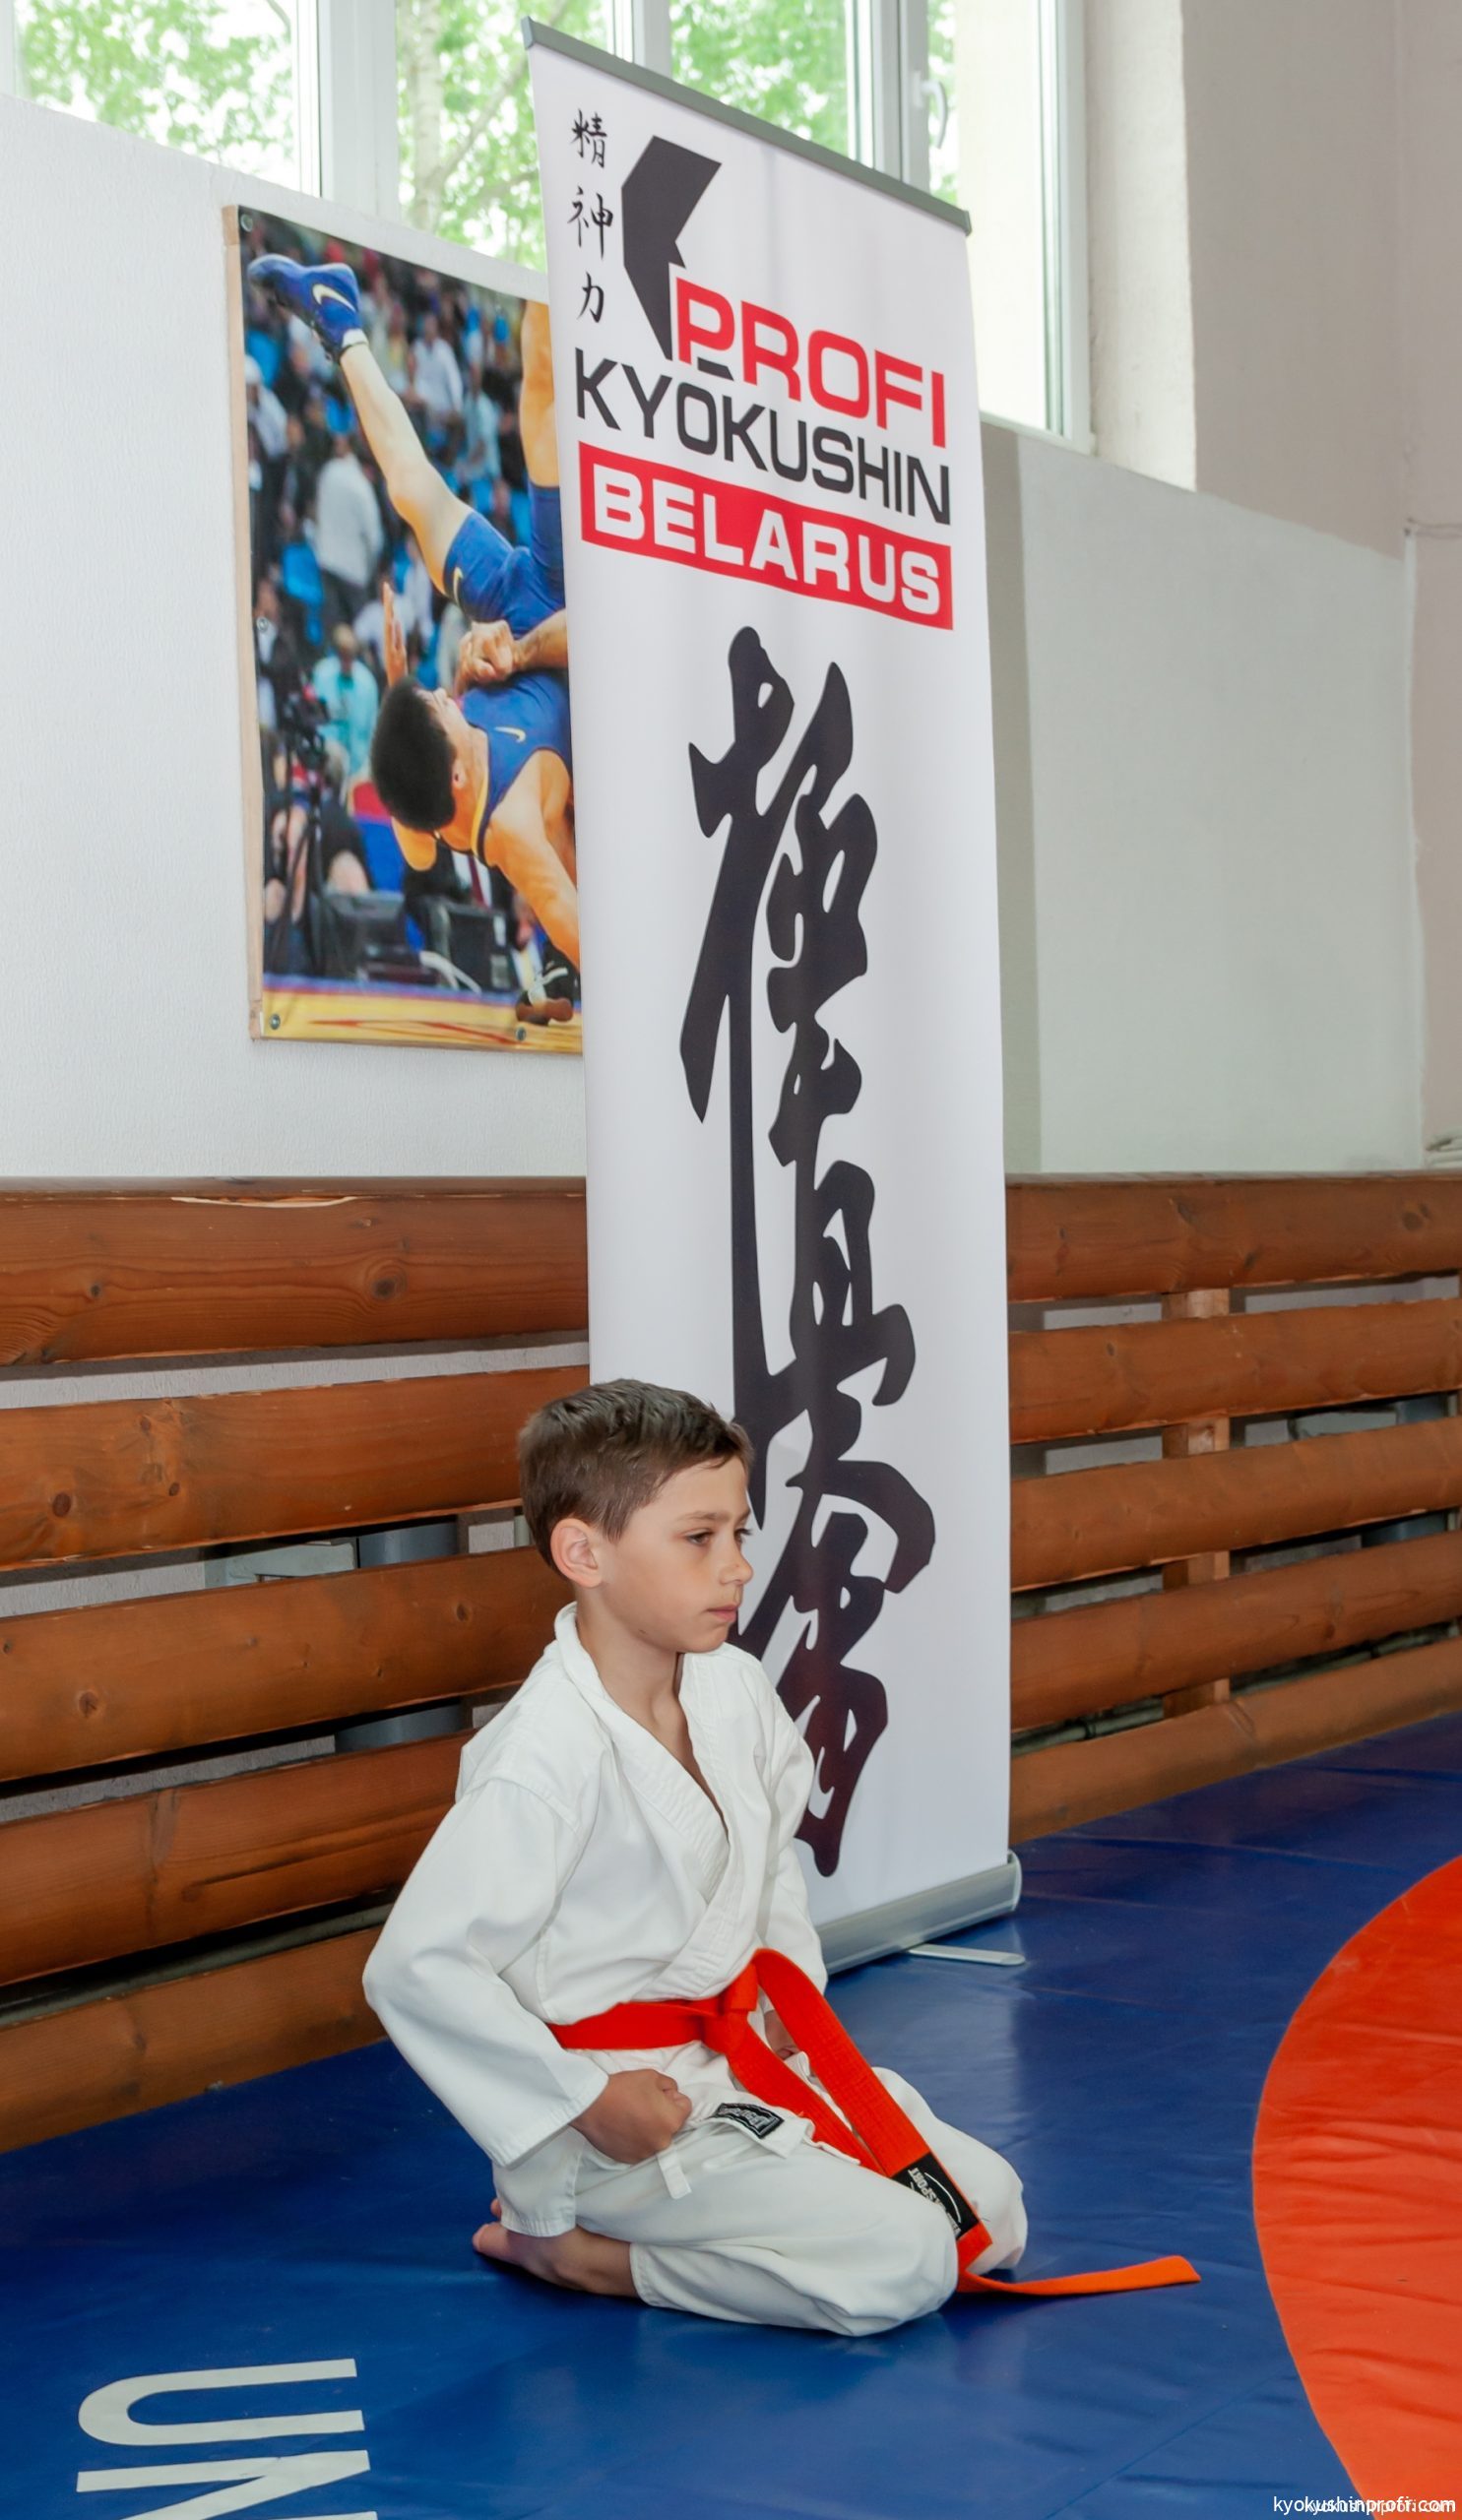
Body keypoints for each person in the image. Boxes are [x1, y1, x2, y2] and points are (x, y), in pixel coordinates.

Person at [363, 1380, 1029, 2337]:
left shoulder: (731, 1689)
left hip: (736, 2066)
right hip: (618, 2124)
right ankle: (588, 2257)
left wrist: (788, 2002)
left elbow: (769, 1862)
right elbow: (416, 1967)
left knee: (988, 2216)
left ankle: (718, 2223)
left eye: (739, 1533)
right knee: (906, 2260)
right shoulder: (541, 1758)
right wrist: (587, 2101)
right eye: (698, 1537)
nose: (738, 1567)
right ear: (583, 1552)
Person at [311, 624, 379, 776]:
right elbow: (315, 722)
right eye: (342, 655)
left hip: (359, 766)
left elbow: (372, 728)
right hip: (328, 763)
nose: (346, 660)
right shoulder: (322, 674)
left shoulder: (367, 683)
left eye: (350, 655)